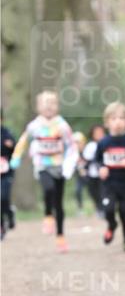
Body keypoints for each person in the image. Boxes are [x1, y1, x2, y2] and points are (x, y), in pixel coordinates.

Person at [11, 91, 77, 252]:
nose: (48, 106)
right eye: (45, 103)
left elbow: (71, 146)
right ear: (38, 107)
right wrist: (16, 157)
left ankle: (60, 236)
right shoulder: (34, 126)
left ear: (57, 107)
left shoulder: (62, 125)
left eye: (52, 103)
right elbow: (23, 141)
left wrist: (69, 164)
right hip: (42, 165)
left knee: (59, 204)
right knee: (48, 189)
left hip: (59, 166)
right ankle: (48, 215)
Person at [96, 102, 125, 252]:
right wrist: (101, 168)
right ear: (107, 122)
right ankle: (111, 225)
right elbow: (96, 161)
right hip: (108, 184)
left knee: (124, 211)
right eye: (114, 118)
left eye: (122, 118)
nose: (118, 122)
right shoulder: (103, 142)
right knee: (108, 209)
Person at [82, 124, 106, 217]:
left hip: (104, 173)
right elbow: (87, 160)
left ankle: (104, 209)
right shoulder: (90, 146)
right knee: (94, 192)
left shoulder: (107, 143)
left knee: (103, 192)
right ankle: (99, 209)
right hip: (93, 174)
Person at [1, 121, 16, 239]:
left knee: (3, 197)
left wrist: (11, 146)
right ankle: (1, 227)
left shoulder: (7, 133)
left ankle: (10, 213)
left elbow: (16, 150)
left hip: (6, 173)